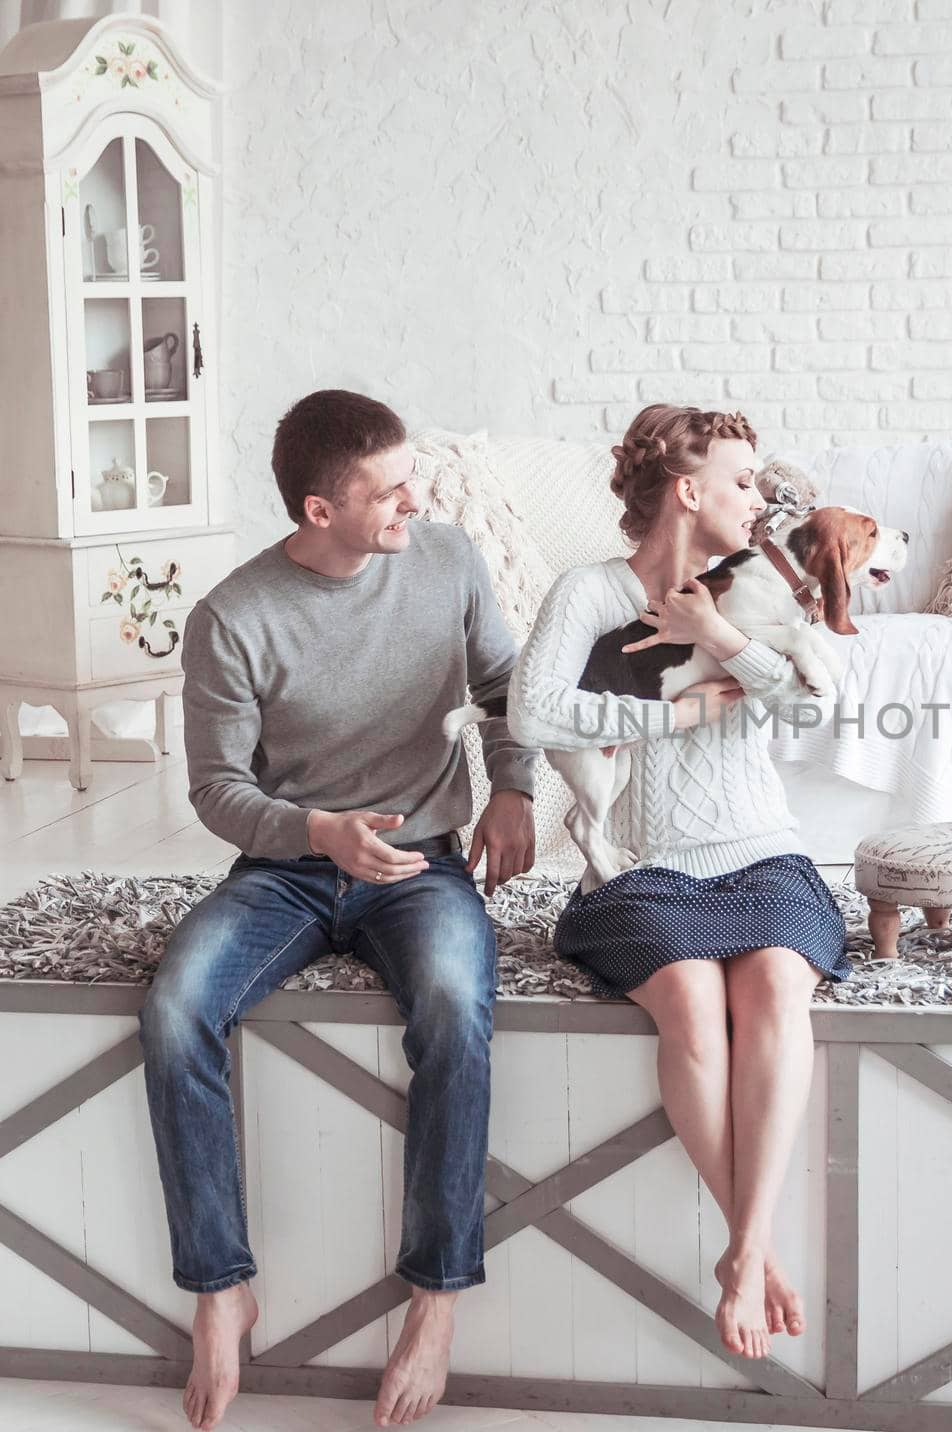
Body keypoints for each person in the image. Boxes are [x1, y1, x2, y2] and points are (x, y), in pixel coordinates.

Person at [140, 389, 537, 1430]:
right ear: (321, 509)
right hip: (287, 870)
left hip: (421, 863)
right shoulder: (233, 615)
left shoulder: (446, 558)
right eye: (391, 487)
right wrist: (320, 833)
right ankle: (220, 1289)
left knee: (455, 1007)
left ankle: (436, 1299)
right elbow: (218, 789)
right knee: (178, 1005)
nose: (420, 495)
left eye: (412, 474)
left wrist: (514, 787)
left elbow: (506, 686)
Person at [505, 403, 850, 1361]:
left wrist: (721, 636)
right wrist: (680, 715)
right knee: (695, 1007)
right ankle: (759, 1249)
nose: (760, 499)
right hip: (642, 868)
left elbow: (816, 709)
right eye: (744, 482)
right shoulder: (590, 592)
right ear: (689, 491)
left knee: (778, 983)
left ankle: (743, 1250)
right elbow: (533, 715)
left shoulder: (755, 588)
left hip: (761, 849)